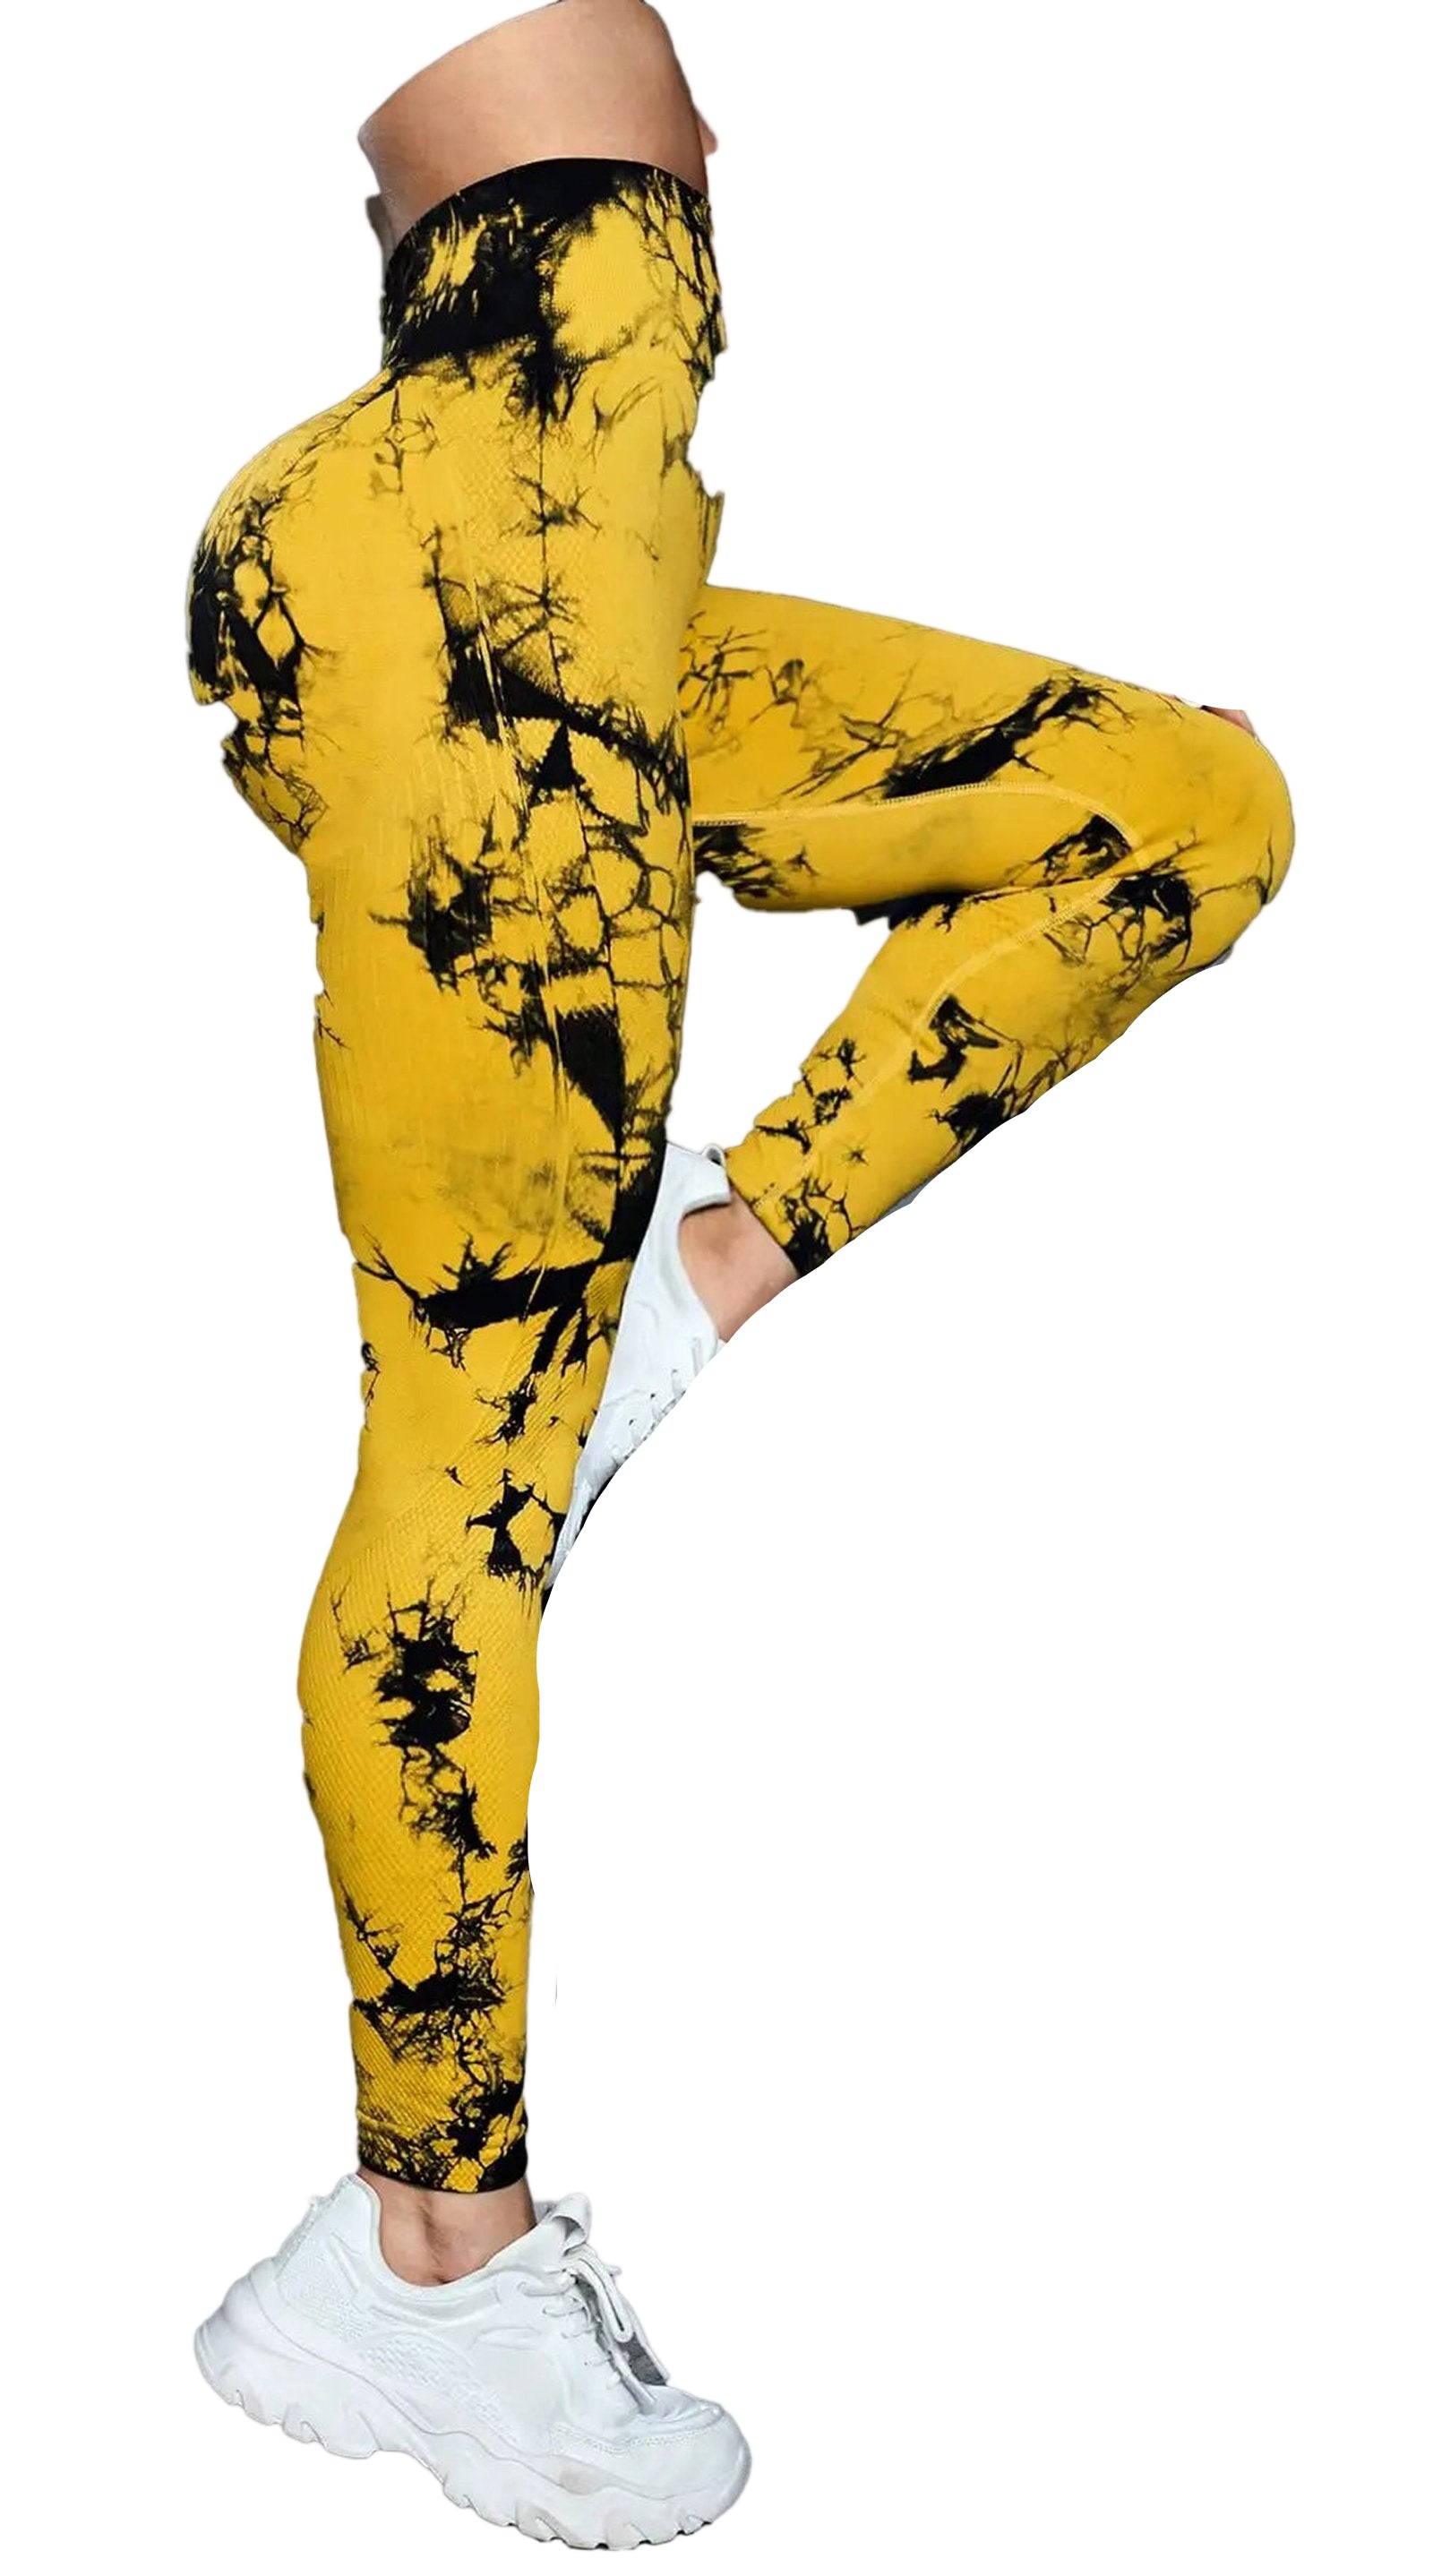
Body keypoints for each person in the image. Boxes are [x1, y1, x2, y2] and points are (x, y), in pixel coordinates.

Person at [184, 0, 1293, 2545]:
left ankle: (686, 1271)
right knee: (460, 1470)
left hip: (577, 556)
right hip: (459, 551)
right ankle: (426, 2250)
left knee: (1181, 805)